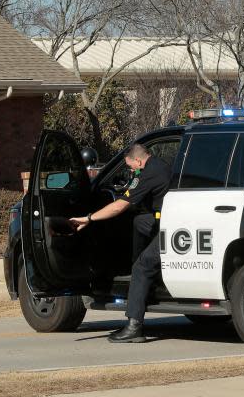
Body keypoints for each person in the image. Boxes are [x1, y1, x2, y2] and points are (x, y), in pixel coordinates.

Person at [70, 143, 171, 343]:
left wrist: (89, 218)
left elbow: (119, 207)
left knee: (142, 267)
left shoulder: (148, 173)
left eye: (131, 167)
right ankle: (138, 270)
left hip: (171, 227)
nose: (131, 171)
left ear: (139, 161)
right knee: (139, 221)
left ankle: (134, 326)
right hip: (163, 219)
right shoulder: (159, 166)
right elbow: (135, 195)